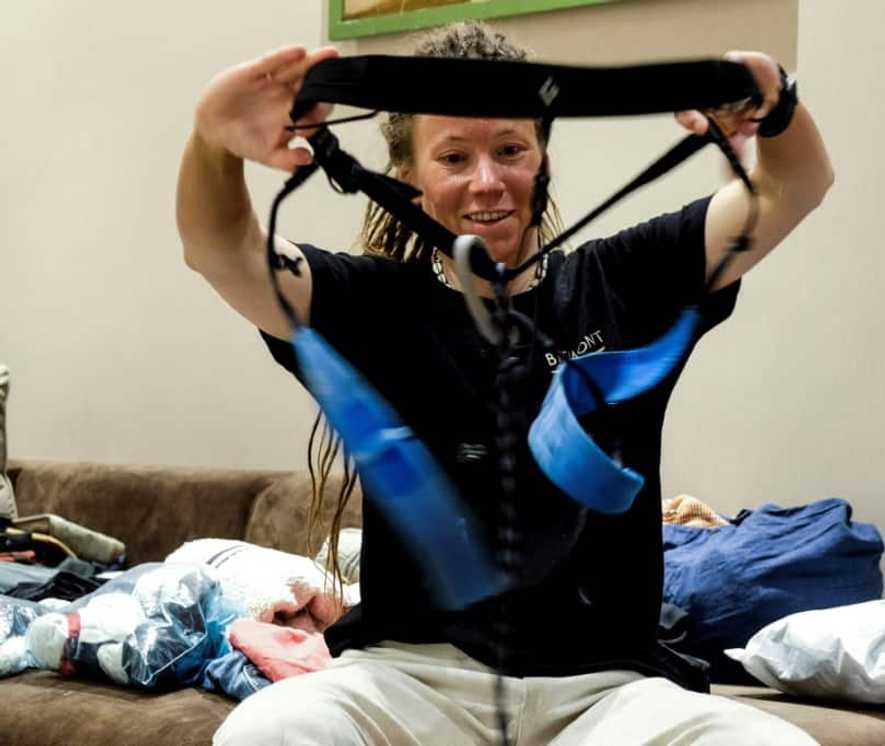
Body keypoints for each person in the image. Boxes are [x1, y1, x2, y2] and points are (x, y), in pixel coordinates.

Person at [177, 22, 833, 746]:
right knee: (266, 733)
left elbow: (796, 183)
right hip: (407, 679)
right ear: (410, 181)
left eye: (510, 150)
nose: (486, 181)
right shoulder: (368, 303)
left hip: (606, 692)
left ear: (542, 159)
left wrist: (775, 107)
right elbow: (220, 248)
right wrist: (215, 140)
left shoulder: (623, 280)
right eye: (454, 157)